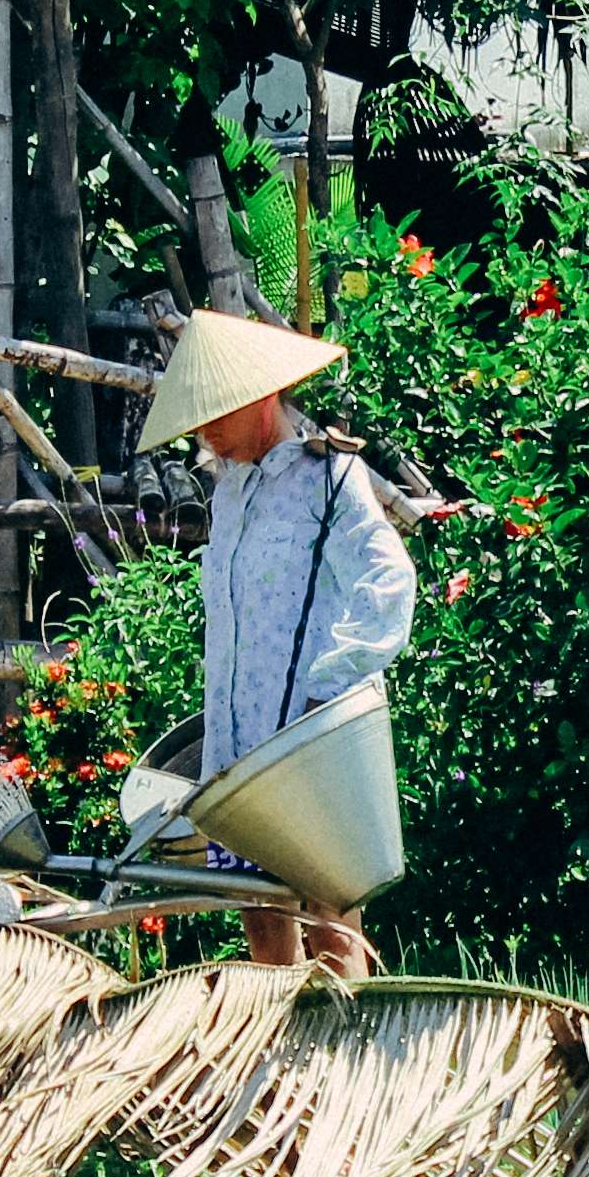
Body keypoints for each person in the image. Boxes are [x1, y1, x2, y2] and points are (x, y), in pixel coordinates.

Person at [132, 306, 413, 974]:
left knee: (330, 920)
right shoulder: (228, 499)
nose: (206, 433)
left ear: (259, 398)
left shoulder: (329, 481)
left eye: (217, 414)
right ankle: (278, 1061)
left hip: (310, 749)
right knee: (258, 917)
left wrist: (332, 687)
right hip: (239, 758)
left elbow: (388, 578)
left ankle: (347, 1056)